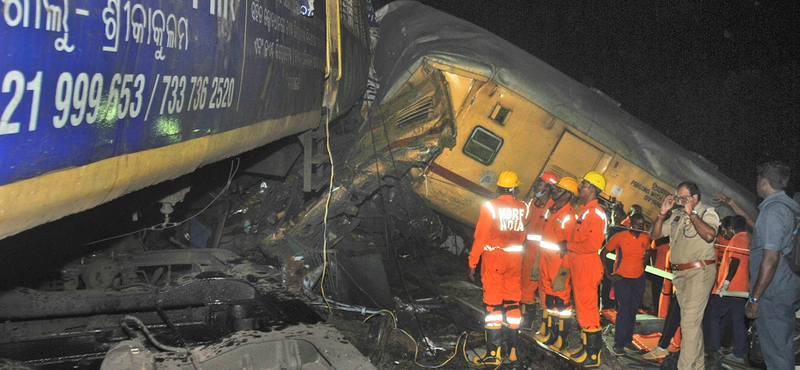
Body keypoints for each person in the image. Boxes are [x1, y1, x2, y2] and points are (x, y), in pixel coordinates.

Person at [651, 181, 720, 370]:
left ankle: (685, 367)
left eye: (683, 198)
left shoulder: (707, 212)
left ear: (695, 198)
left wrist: (692, 213)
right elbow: (655, 235)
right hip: (680, 275)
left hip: (699, 273)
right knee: (691, 324)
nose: (679, 202)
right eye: (677, 198)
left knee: (688, 324)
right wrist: (662, 214)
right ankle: (697, 366)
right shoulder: (676, 215)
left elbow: (709, 236)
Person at [468, 170, 529, 365]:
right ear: (515, 188)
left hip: (495, 258)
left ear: (499, 186)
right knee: (512, 303)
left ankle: (493, 355)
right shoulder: (522, 207)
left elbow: (480, 237)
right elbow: (523, 234)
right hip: (515, 259)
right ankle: (513, 351)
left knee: (493, 306)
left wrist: (472, 262)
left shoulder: (491, 207)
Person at [745, 161, 800, 370]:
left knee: (777, 356)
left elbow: (771, 257)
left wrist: (755, 297)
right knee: (781, 350)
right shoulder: (792, 210)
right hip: (788, 287)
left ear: (765, 183)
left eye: (759, 180)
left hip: (772, 293)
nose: (757, 184)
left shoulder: (774, 211)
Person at [562, 171, 607, 367]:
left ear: (592, 188)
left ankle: (593, 356)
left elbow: (593, 244)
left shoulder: (594, 213)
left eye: (584, 184)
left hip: (587, 266)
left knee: (588, 312)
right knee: (582, 311)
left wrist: (568, 246)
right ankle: (585, 349)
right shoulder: (585, 210)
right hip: (580, 266)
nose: (580, 187)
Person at [534, 177, 578, 355]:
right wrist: (537, 259)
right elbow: (545, 237)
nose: (555, 191)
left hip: (559, 265)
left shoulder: (570, 216)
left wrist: (564, 272)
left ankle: (562, 340)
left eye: (560, 189)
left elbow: (570, 246)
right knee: (550, 302)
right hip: (546, 261)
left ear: (568, 194)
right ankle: (552, 335)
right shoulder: (551, 210)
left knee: (562, 305)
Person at [600, 213, 653, 355]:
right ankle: (618, 343)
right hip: (621, 278)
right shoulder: (620, 236)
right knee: (624, 309)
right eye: (636, 223)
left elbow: (648, 250)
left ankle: (628, 341)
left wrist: (643, 266)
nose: (639, 225)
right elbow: (603, 252)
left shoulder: (644, 238)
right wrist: (608, 274)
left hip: (638, 279)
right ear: (630, 224)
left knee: (633, 310)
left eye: (641, 223)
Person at [703, 215, 750, 364]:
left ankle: (715, 348)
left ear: (731, 228)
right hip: (741, 288)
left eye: (725, 230)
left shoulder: (737, 239)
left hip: (731, 289)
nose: (725, 233)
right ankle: (738, 353)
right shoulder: (748, 238)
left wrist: (725, 283)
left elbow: (735, 262)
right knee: (738, 322)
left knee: (713, 316)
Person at [520, 171, 558, 330]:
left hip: (540, 254)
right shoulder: (532, 203)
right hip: (528, 250)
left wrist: (536, 260)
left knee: (539, 289)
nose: (537, 184)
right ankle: (525, 320)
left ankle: (543, 325)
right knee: (524, 286)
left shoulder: (552, 208)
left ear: (549, 188)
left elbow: (547, 237)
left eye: (541, 183)